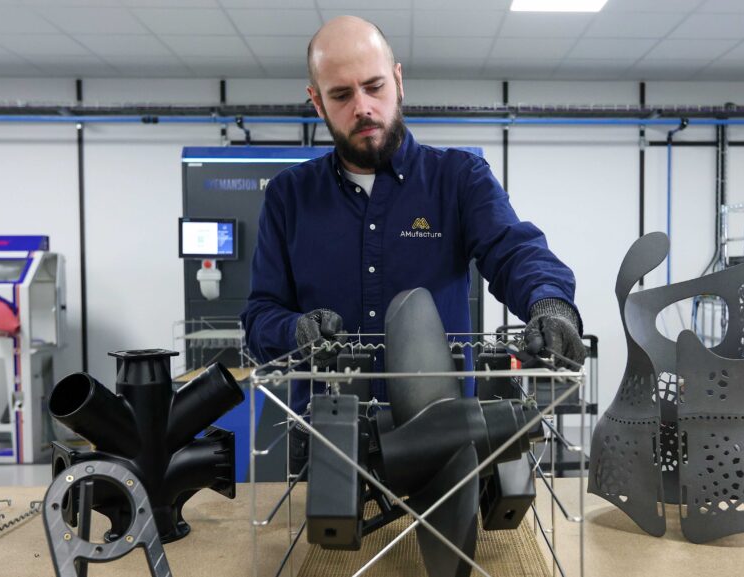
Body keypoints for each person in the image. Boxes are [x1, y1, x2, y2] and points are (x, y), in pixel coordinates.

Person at [240, 16, 585, 472]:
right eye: (341, 95)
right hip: (327, 447)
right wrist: (296, 331)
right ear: (317, 102)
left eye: (374, 86)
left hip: (443, 445)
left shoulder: (459, 179)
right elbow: (260, 316)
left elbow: (514, 252)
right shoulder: (288, 197)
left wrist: (551, 305)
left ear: (398, 81)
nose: (362, 107)